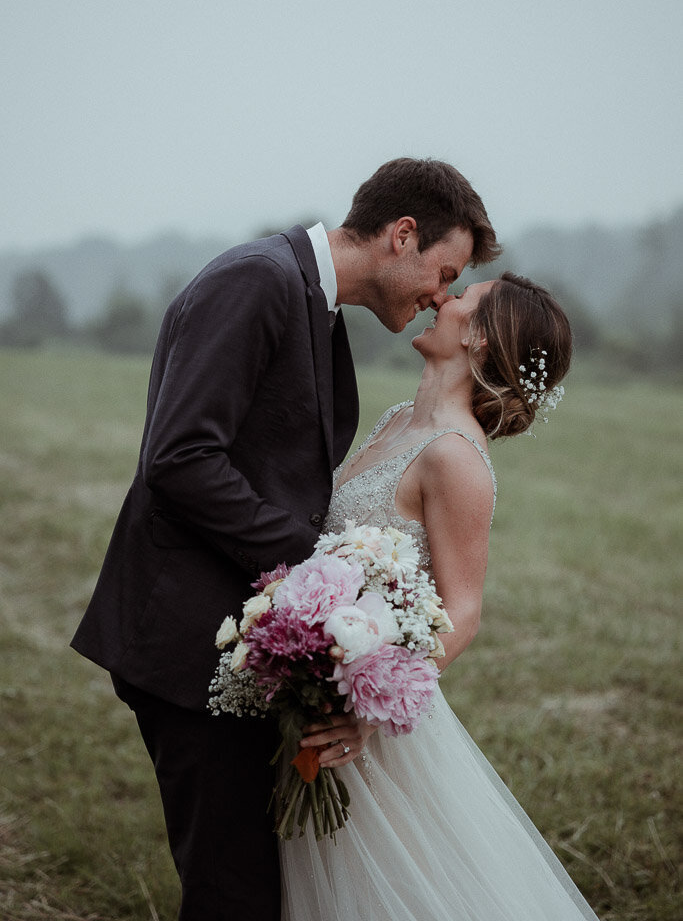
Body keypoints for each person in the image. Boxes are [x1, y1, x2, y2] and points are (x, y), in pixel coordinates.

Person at [70, 157, 500, 920]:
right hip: (187, 641)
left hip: (237, 644)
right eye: (445, 271)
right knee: (232, 890)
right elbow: (180, 458)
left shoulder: (313, 305)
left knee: (250, 882)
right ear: (402, 235)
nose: (441, 296)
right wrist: (319, 569)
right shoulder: (258, 282)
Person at [281, 273, 602, 920]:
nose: (437, 299)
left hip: (365, 707)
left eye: (460, 297)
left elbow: (462, 610)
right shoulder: (398, 419)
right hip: (319, 675)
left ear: (479, 336)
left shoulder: (453, 456)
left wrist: (369, 707)